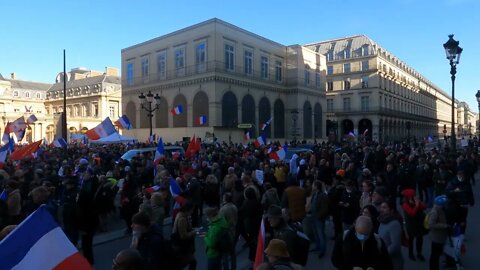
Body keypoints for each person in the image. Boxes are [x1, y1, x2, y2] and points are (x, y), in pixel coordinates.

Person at [378, 200, 404, 270]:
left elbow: (395, 246)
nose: (381, 209)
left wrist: (382, 254)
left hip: (392, 262)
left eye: (384, 208)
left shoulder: (394, 224)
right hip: (385, 260)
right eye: (381, 207)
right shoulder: (382, 220)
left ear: (391, 210)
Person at [401, 189, 426, 261]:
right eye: (413, 195)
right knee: (411, 239)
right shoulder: (405, 204)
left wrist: (419, 203)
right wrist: (417, 205)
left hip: (419, 222)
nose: (415, 196)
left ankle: (419, 253)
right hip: (411, 224)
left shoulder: (415, 200)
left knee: (420, 238)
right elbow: (412, 213)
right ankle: (410, 253)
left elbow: (424, 207)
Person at [171, 200, 197, 270]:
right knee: (190, 262)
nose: (192, 211)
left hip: (181, 246)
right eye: (192, 210)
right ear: (188, 209)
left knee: (188, 262)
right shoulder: (182, 219)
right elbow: (183, 236)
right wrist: (193, 232)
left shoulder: (183, 215)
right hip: (181, 246)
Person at [428, 195, 450, 270]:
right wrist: (444, 226)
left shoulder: (440, 209)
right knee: (435, 256)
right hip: (436, 238)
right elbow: (431, 224)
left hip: (440, 237)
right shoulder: (435, 211)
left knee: (437, 253)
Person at [219, 192, 238, 270]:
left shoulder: (223, 209)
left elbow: (221, 222)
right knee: (232, 253)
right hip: (233, 231)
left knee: (225, 255)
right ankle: (233, 267)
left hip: (226, 233)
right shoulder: (234, 207)